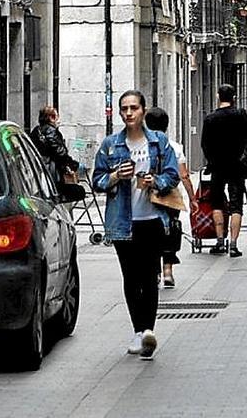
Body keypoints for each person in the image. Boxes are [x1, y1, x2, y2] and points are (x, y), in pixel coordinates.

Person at [92, 90, 180, 360]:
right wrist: (116, 176)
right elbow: (96, 180)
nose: (129, 113)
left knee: (149, 276)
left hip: (153, 220)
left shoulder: (158, 142)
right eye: (124, 109)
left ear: (143, 111)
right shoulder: (110, 145)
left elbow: (172, 174)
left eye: (133, 108)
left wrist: (155, 182)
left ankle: (147, 332)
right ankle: (138, 330)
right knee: (131, 277)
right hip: (123, 223)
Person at [144, 107, 198, 289]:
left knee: (149, 233)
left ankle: (153, 272)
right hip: (170, 197)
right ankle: (168, 271)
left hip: (146, 196)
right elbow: (184, 175)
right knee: (170, 230)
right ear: (166, 126)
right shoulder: (174, 147)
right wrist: (192, 198)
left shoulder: (142, 145)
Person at [200, 84, 247, 258]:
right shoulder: (240, 115)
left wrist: (211, 160)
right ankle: (234, 245)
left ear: (218, 96)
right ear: (234, 98)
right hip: (237, 166)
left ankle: (220, 241)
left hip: (217, 166)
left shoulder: (210, 119)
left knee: (216, 203)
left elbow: (204, 144)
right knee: (236, 204)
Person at [30, 105, 80, 185]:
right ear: (51, 118)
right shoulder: (51, 131)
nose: (58, 120)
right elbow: (58, 151)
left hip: (39, 166)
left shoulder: (36, 130)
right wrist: (71, 163)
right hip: (52, 167)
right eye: (56, 116)